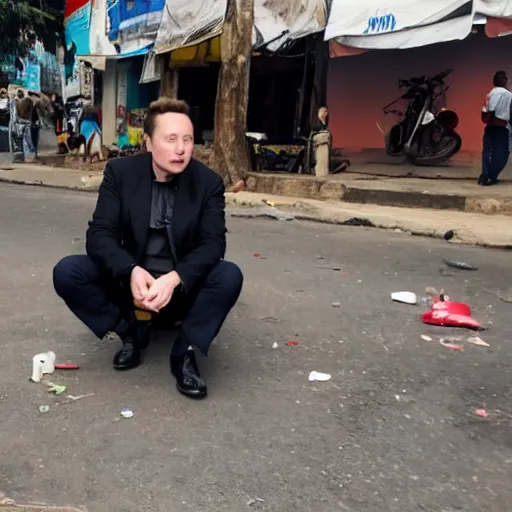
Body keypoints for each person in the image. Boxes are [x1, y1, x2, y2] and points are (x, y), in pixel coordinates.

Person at [53, 98, 243, 399]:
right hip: (131, 289)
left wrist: (176, 278)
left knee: (229, 275)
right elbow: (100, 235)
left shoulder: (208, 183)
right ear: (149, 142)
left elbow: (213, 244)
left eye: (187, 139)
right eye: (171, 139)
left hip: (180, 292)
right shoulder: (120, 173)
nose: (181, 149)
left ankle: (184, 352)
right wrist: (130, 271)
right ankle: (130, 333)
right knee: (68, 271)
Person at [479, 70, 512, 186]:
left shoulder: (489, 94)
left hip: (490, 127)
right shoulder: (509, 95)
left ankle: (485, 175)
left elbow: (484, 113)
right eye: (505, 78)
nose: (506, 80)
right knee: (503, 154)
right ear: (502, 81)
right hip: (502, 128)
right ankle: (491, 176)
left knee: (487, 152)